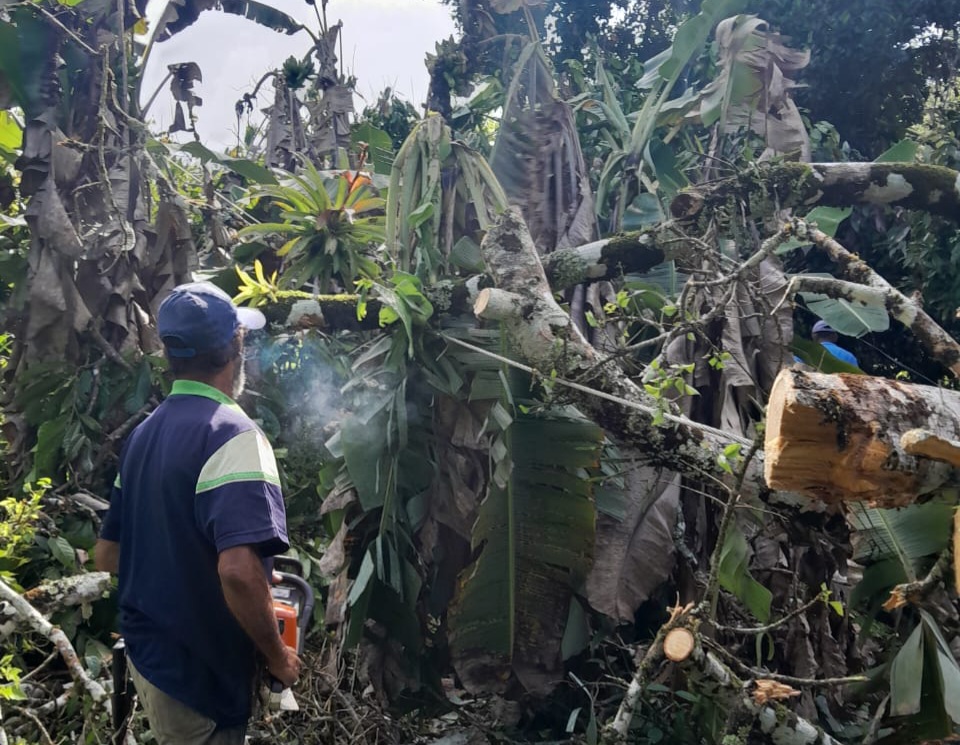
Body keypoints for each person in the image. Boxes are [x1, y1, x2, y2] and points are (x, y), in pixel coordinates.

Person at [95, 282, 300, 745]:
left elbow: (108, 554)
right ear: (236, 347)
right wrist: (277, 656)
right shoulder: (234, 436)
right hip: (202, 680)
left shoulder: (143, 435)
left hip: (152, 662)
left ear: (168, 353)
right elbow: (238, 572)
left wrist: (193, 568)